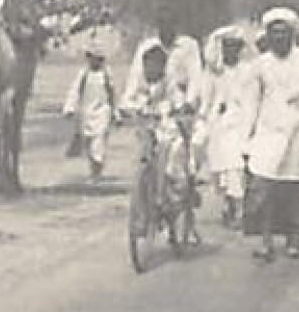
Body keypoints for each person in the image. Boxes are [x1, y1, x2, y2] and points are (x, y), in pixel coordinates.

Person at [239, 8, 299, 261]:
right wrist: (246, 137)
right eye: (275, 33)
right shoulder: (259, 65)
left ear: (293, 35)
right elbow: (251, 103)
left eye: (284, 33)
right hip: (269, 129)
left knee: (295, 185)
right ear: (268, 37)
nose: (280, 38)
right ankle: (266, 241)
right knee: (265, 185)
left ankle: (296, 236)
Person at [122, 42, 200, 248]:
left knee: (171, 161)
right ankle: (140, 217)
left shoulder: (169, 83)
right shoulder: (139, 82)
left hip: (167, 130)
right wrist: (130, 109)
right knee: (141, 167)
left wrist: (178, 109)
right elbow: (127, 100)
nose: (152, 70)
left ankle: (170, 201)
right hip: (146, 129)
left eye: (157, 66)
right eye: (148, 65)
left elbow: (178, 101)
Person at [202, 25, 255, 229]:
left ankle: (240, 208)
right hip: (219, 122)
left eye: (234, 46)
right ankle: (227, 203)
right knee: (219, 167)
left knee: (237, 166)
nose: (230, 51)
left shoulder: (248, 70)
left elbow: (252, 97)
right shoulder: (215, 72)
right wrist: (207, 113)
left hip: (242, 121)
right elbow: (207, 97)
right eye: (226, 47)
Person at [62, 39, 117, 182]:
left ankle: (96, 173)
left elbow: (112, 94)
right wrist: (70, 108)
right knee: (89, 144)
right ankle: (93, 169)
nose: (94, 61)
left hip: (103, 112)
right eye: (91, 58)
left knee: (99, 143)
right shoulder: (84, 74)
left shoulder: (106, 74)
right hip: (87, 113)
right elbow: (75, 91)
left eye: (97, 59)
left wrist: (116, 113)